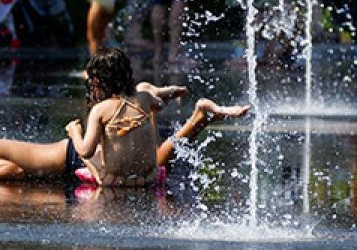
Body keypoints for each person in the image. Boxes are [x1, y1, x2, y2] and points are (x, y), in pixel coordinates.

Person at [65, 49, 250, 187]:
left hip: (119, 182)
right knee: (144, 92)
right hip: (152, 174)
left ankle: (164, 93)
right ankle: (160, 91)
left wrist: (75, 132)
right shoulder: (143, 98)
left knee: (86, 156)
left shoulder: (100, 110)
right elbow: (159, 106)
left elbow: (86, 151)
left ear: (98, 82)